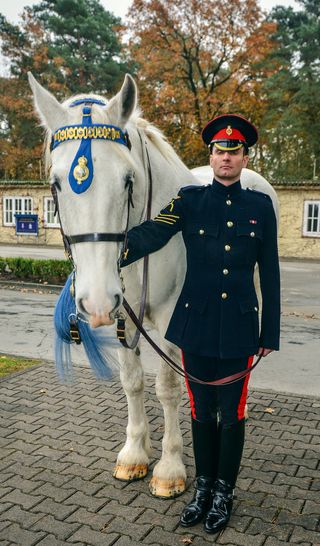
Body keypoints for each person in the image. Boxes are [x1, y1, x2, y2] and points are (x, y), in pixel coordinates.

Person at [121, 114, 280, 534]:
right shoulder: (189, 200)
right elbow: (152, 234)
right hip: (195, 325)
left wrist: (270, 332)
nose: (225, 158)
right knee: (200, 409)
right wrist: (105, 249)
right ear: (210, 156)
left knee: (232, 412)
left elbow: (272, 272)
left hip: (241, 329)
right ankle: (203, 489)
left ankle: (224, 492)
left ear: (245, 158)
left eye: (234, 152)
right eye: (218, 151)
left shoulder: (260, 207)